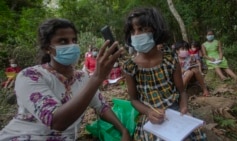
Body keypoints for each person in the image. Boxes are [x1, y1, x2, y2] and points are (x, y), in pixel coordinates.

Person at [0, 18, 130, 141]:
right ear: (47, 48)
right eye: (63, 41)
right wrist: (97, 78)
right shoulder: (30, 76)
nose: (71, 45)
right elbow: (57, 122)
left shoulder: (82, 78)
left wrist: (123, 130)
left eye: (74, 40)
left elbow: (102, 107)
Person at [123, 7, 206, 141]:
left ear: (156, 31)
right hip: (151, 116)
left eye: (142, 29)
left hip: (174, 111)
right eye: (133, 31)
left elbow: (182, 91)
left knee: (192, 136)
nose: (137, 34)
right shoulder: (130, 66)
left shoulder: (170, 59)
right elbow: (133, 100)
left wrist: (183, 107)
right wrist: (149, 112)